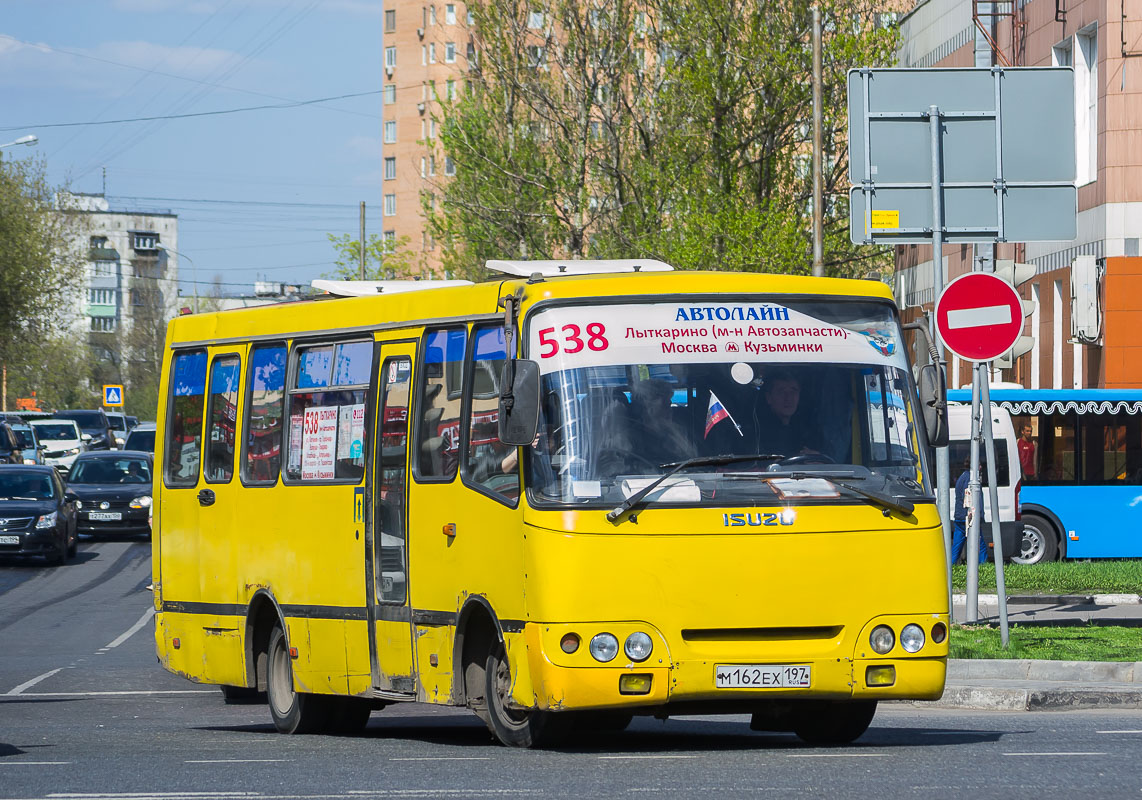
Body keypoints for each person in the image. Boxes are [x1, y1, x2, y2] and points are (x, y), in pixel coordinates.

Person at [755, 369, 818, 457]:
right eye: (781, 391)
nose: (788, 398)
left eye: (793, 391)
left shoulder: (807, 430)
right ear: (769, 397)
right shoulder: (756, 434)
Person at [951, 457, 988, 564]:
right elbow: (968, 497)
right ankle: (984, 568)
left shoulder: (962, 476)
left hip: (959, 517)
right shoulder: (971, 479)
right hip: (968, 517)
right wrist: (978, 516)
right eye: (979, 464)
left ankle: (950, 568)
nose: (981, 467)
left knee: (956, 548)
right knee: (981, 546)